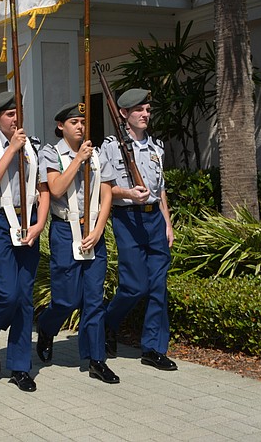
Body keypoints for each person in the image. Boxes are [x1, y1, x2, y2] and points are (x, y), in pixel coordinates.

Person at [35, 102, 120, 384]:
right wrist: (78, 160)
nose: (80, 127)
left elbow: (107, 194)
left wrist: (98, 228)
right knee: (66, 299)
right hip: (64, 230)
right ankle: (47, 327)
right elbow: (56, 188)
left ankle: (96, 359)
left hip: (93, 229)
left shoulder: (97, 154)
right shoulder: (51, 153)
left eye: (82, 122)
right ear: (61, 126)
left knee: (94, 300)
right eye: (74, 122)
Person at [0, 91, 49, 392]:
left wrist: (40, 223)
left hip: (28, 221)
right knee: (6, 295)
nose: (15, 118)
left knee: (25, 298)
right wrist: (10, 150)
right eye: (8, 114)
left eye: (18, 112)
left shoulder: (35, 146)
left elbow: (43, 189)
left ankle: (20, 366)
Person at [99, 88, 177, 371]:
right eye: (138, 110)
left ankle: (154, 348)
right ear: (123, 114)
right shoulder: (109, 147)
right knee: (135, 286)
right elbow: (104, 190)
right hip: (128, 219)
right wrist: (129, 194)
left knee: (158, 287)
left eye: (147, 110)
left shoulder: (157, 146)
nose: (145, 115)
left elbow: (161, 189)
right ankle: (109, 322)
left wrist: (167, 223)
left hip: (154, 219)